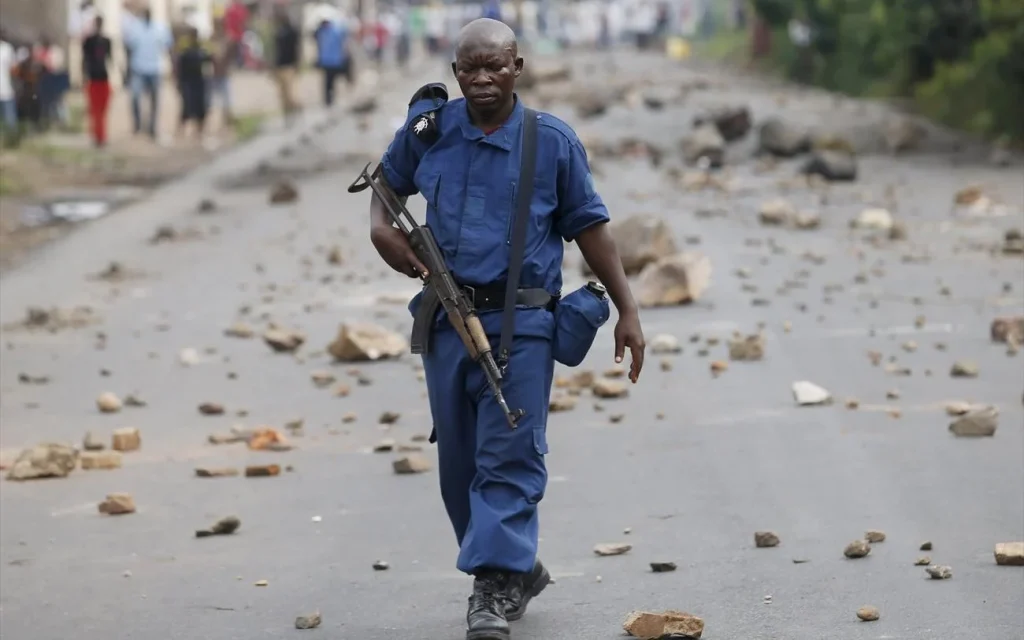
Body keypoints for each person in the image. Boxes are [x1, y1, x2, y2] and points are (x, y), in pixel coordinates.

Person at [368, 18, 645, 640]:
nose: (483, 79)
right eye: (470, 68)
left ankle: (493, 587)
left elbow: (590, 228)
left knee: (509, 455)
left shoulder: (551, 142)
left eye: (496, 66)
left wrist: (628, 309)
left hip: (524, 326)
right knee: (459, 466)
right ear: (455, 71)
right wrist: (382, 233)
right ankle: (514, 565)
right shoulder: (430, 131)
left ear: (518, 67)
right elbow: (385, 189)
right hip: (446, 322)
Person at [124, 8, 172, 139]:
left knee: (155, 100)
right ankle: (137, 125)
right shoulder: (135, 28)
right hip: (138, 68)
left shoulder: (160, 28)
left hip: (154, 69)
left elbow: (168, 46)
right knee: (135, 98)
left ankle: (152, 127)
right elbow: (128, 47)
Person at [82, 15, 113, 146]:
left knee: (101, 110)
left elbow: (110, 59)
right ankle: (97, 135)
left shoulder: (107, 41)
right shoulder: (89, 41)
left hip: (102, 77)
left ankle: (101, 135)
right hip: (94, 78)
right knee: (95, 110)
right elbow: (85, 59)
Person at [174, 27, 209, 139]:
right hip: (187, 81)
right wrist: (178, 82)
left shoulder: (201, 48)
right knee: (186, 107)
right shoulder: (184, 49)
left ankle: (199, 132)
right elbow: (179, 66)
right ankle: (181, 132)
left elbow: (208, 60)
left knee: (200, 108)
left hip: (198, 82)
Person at [272, 7, 300, 122]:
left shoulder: (292, 31)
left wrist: (297, 63)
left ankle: (295, 112)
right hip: (280, 66)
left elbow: (297, 48)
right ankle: (287, 116)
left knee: (290, 94)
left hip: (289, 65)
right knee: (282, 94)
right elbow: (276, 50)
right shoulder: (278, 32)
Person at [313, 18, 350, 107]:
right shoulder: (334, 31)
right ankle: (330, 98)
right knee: (330, 81)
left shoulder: (324, 32)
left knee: (329, 81)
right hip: (333, 60)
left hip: (329, 61)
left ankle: (329, 98)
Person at [208, 18, 235, 126]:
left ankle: (226, 123)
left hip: (223, 73)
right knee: (214, 102)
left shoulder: (227, 38)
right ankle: (218, 124)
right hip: (215, 74)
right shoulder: (212, 39)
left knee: (226, 100)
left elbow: (229, 55)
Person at [0, 29, 17, 136]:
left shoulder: (7, 48)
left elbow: (14, 69)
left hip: (6, 88)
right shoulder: (7, 48)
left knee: (9, 118)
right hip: (6, 88)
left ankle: (11, 139)